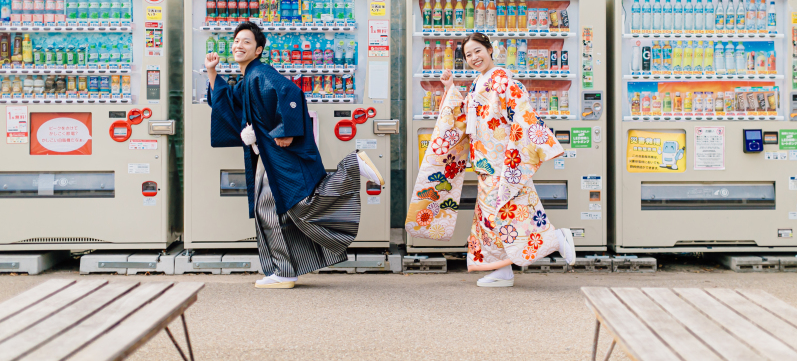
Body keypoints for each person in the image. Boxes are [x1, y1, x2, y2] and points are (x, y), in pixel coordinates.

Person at [206, 21, 384, 289]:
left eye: (246, 41)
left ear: (258, 50)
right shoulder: (248, 78)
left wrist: (287, 128)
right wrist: (211, 71)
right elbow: (226, 102)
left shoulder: (260, 73)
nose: (238, 45)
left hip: (277, 152)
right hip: (267, 154)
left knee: (291, 204)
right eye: (236, 41)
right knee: (285, 207)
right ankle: (284, 270)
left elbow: (291, 93)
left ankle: (352, 164)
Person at [405, 32, 576, 287]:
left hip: (503, 161)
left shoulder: (504, 81)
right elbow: (464, 116)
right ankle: (503, 268)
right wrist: (450, 89)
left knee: (509, 212)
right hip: (485, 161)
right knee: (495, 214)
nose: (474, 58)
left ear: (490, 49)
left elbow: (522, 112)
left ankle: (555, 239)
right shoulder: (477, 84)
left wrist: (535, 143)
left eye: (478, 51)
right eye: (468, 55)